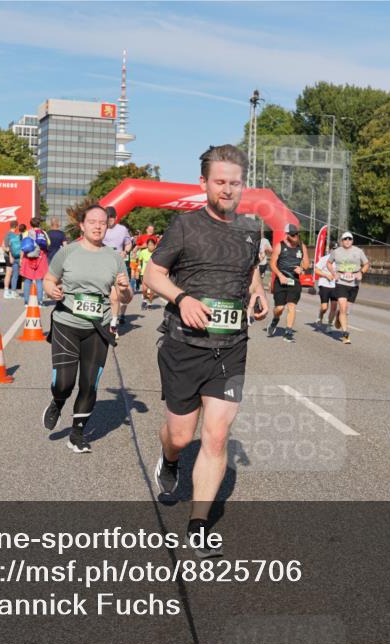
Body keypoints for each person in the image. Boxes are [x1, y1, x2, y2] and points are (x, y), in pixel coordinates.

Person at [143, 144, 268, 558]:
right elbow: (153, 272)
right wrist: (182, 299)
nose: (228, 189)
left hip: (231, 347)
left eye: (235, 182)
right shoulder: (184, 226)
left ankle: (198, 525)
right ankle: (170, 456)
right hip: (184, 345)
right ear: (204, 184)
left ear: (242, 184)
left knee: (216, 436)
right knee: (181, 435)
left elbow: (248, 269)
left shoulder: (252, 228)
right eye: (220, 182)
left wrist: (259, 292)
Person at [42, 205, 132, 453]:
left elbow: (126, 298)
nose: (97, 226)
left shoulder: (114, 257)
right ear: (82, 225)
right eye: (92, 221)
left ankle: (77, 434)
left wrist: (124, 288)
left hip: (98, 327)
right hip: (67, 323)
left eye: (102, 222)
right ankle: (58, 402)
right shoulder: (67, 253)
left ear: (108, 226)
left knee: (89, 384)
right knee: (64, 382)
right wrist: (51, 289)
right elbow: (49, 279)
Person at [266, 224, 310, 342]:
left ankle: (288, 332)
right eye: (292, 235)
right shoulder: (280, 246)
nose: (295, 236)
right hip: (281, 280)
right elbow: (272, 264)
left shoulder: (302, 247)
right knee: (279, 308)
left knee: (291, 306)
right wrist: (280, 276)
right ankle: (275, 319)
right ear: (287, 235)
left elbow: (306, 264)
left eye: (296, 234)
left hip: (294, 281)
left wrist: (301, 269)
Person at [327, 232, 370, 344]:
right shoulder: (336, 252)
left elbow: (366, 264)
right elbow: (329, 263)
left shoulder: (358, 251)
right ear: (342, 241)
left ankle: (338, 316)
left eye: (349, 239)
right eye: (345, 239)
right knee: (342, 306)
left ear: (352, 240)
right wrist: (333, 273)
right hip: (341, 282)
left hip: (354, 283)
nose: (347, 241)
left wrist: (361, 272)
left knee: (346, 311)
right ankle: (345, 334)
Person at [103, 206, 133, 335]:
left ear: (115, 218)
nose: (108, 221)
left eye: (110, 218)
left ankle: (113, 323)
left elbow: (129, 243)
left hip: (118, 265)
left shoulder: (122, 229)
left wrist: (125, 251)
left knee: (115, 297)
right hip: (102, 264)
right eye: (107, 218)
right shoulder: (101, 228)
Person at [20, 218, 49, 305]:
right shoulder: (43, 233)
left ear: (31, 224)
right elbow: (49, 243)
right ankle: (40, 302)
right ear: (39, 224)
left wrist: (21, 259)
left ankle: (26, 301)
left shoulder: (26, 233)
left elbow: (23, 246)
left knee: (27, 279)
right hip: (40, 257)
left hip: (28, 258)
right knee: (39, 280)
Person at [314, 248, 338, 331]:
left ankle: (329, 325)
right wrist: (326, 275)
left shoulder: (340, 261)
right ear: (330, 250)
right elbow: (316, 270)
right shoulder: (324, 259)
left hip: (335, 286)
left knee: (334, 307)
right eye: (334, 249)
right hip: (324, 285)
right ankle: (320, 316)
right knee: (324, 307)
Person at [136, 238, 157, 311]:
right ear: (147, 245)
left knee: (151, 292)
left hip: (154, 274)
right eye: (149, 245)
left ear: (155, 246)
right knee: (144, 290)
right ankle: (144, 300)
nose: (150, 246)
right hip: (144, 273)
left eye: (152, 245)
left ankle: (150, 303)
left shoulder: (157, 253)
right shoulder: (143, 252)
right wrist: (138, 266)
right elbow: (139, 260)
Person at [2, 221, 22, 299]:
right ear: (16, 227)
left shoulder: (7, 234)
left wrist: (7, 250)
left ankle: (7, 291)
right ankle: (8, 292)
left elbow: (4, 246)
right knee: (11, 274)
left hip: (7, 256)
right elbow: (8, 247)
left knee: (9, 273)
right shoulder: (15, 236)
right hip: (12, 256)